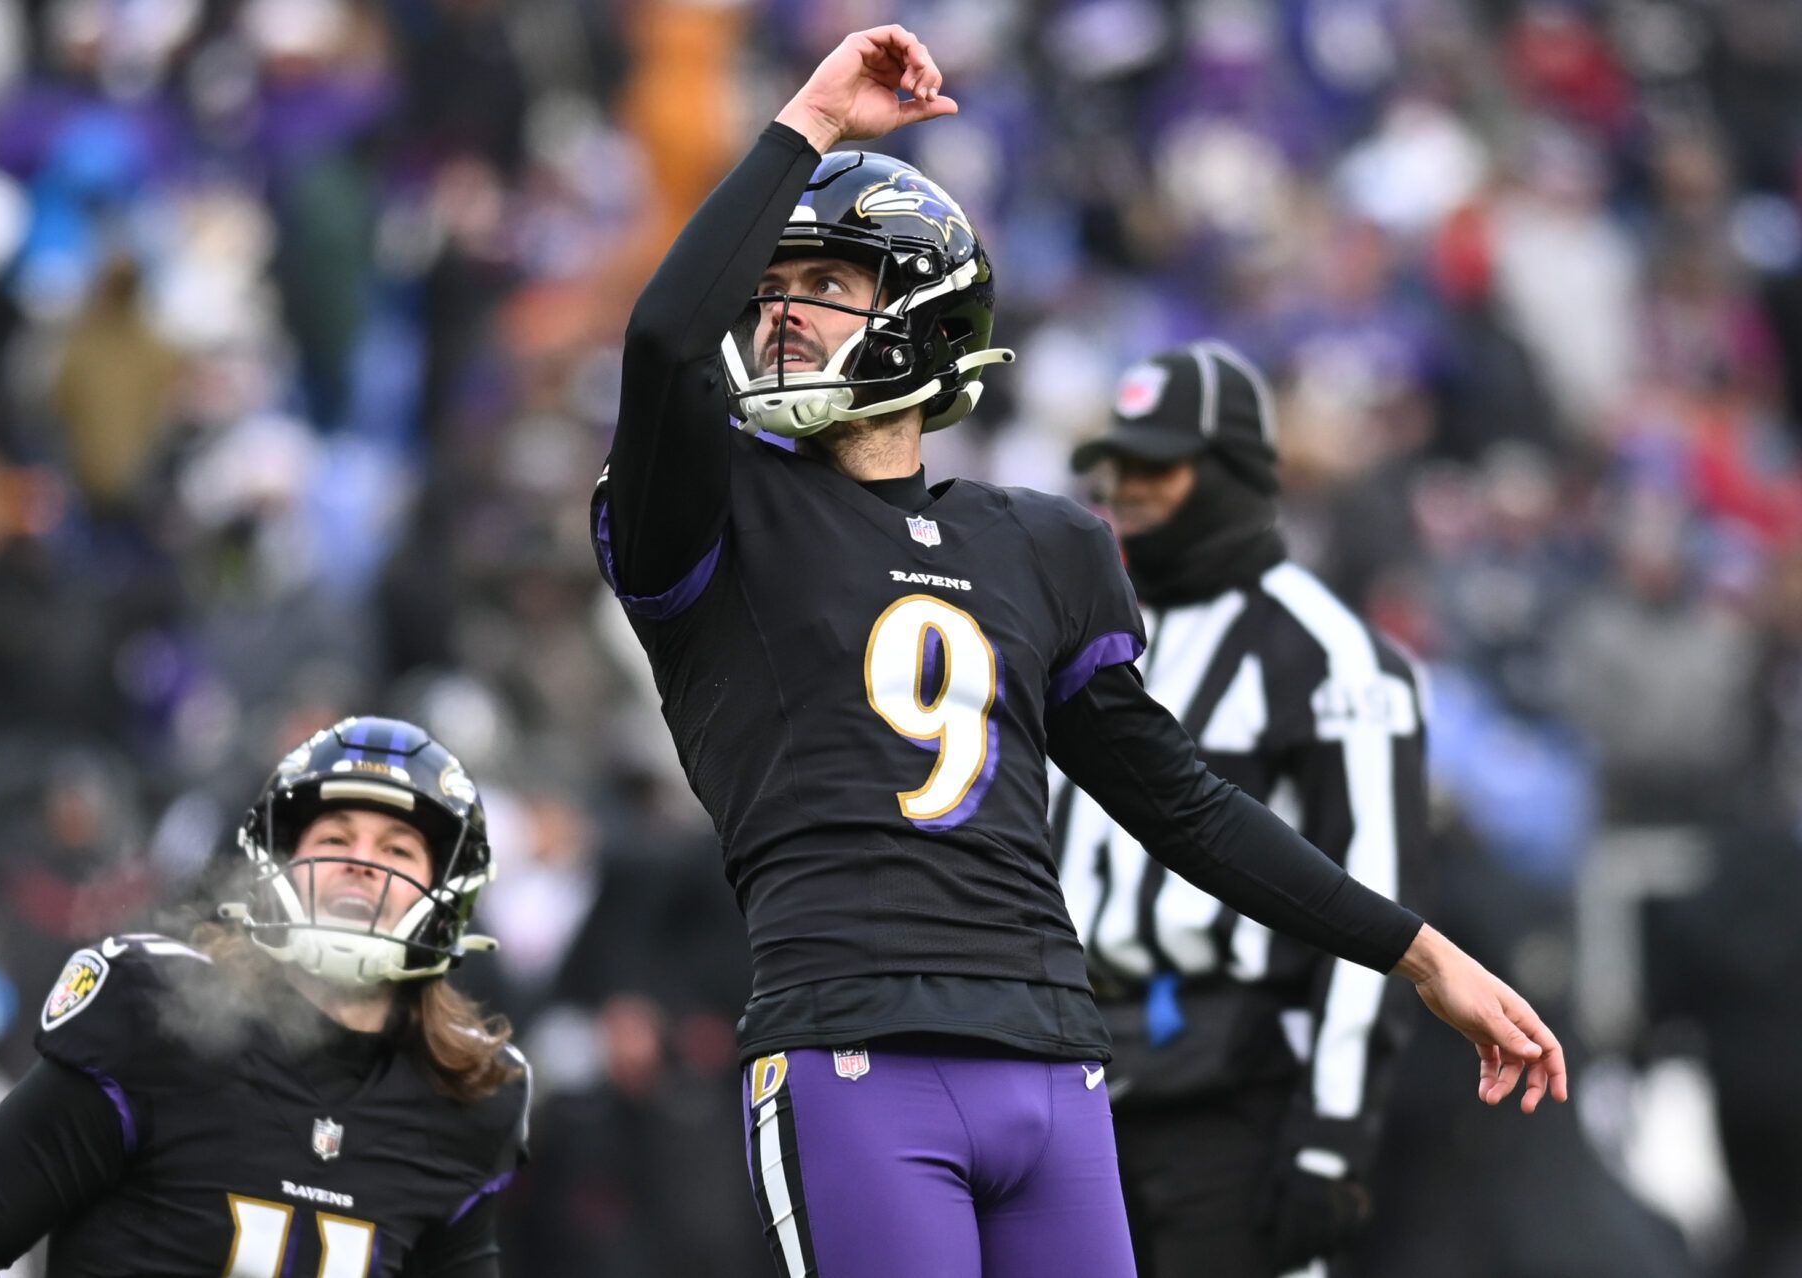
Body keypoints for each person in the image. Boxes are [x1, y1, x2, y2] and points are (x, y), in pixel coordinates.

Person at [591, 25, 1564, 1278]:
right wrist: (814, 119)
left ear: (924, 307)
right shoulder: (722, 512)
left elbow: (1186, 805)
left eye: (826, 285)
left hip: (1055, 1064)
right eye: (773, 287)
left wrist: (1418, 952)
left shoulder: (1042, 544)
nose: (779, 314)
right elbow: (667, 338)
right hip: (856, 1050)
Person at [0, 716, 531, 1278]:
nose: (362, 863)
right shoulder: (154, 1013)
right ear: (276, 865)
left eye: (398, 850)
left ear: (447, 895)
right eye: (335, 839)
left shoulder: (463, 1096)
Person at [1053, 345, 1426, 1277]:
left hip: (1237, 1091)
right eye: (1118, 466)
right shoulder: (1083, 626)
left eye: (1158, 467)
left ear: (1232, 473)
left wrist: (1334, 1130)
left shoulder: (1332, 657)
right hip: (1074, 1079)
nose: (1125, 490)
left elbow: (1376, 903)